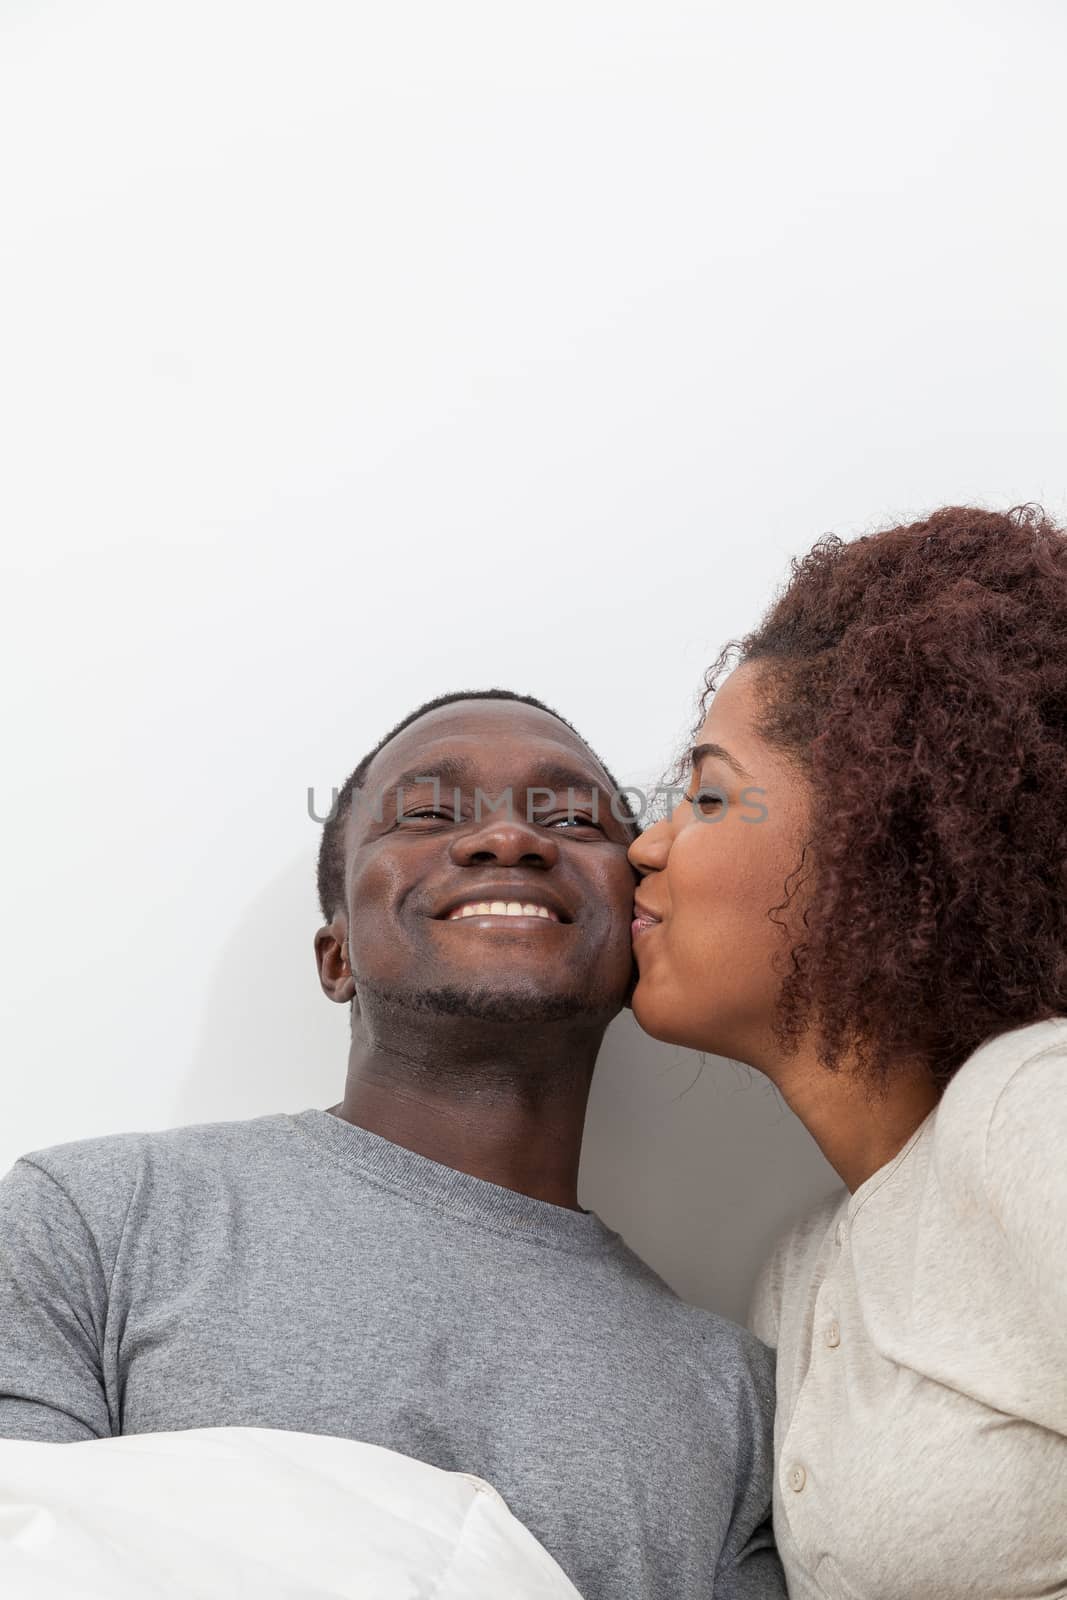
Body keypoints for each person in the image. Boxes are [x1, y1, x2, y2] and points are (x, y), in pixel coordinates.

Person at [0, 689, 784, 1600]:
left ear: (638, 938)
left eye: (572, 820)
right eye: (424, 814)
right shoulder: (92, 1222)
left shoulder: (738, 1402)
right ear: (336, 958)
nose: (508, 840)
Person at [627, 504, 1067, 1599]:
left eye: (709, 793)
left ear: (875, 836)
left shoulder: (1029, 1110)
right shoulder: (797, 1274)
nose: (645, 842)